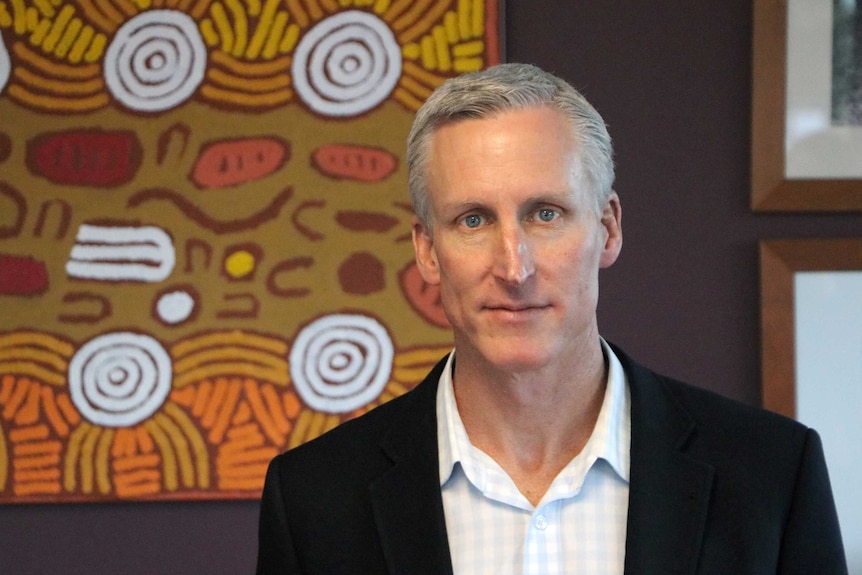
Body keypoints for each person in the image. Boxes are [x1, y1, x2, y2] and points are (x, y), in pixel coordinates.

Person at [256, 63, 847, 574]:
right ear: (427, 250)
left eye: (545, 213)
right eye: (473, 220)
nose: (515, 267)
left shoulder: (771, 476)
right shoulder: (315, 499)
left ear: (607, 228)